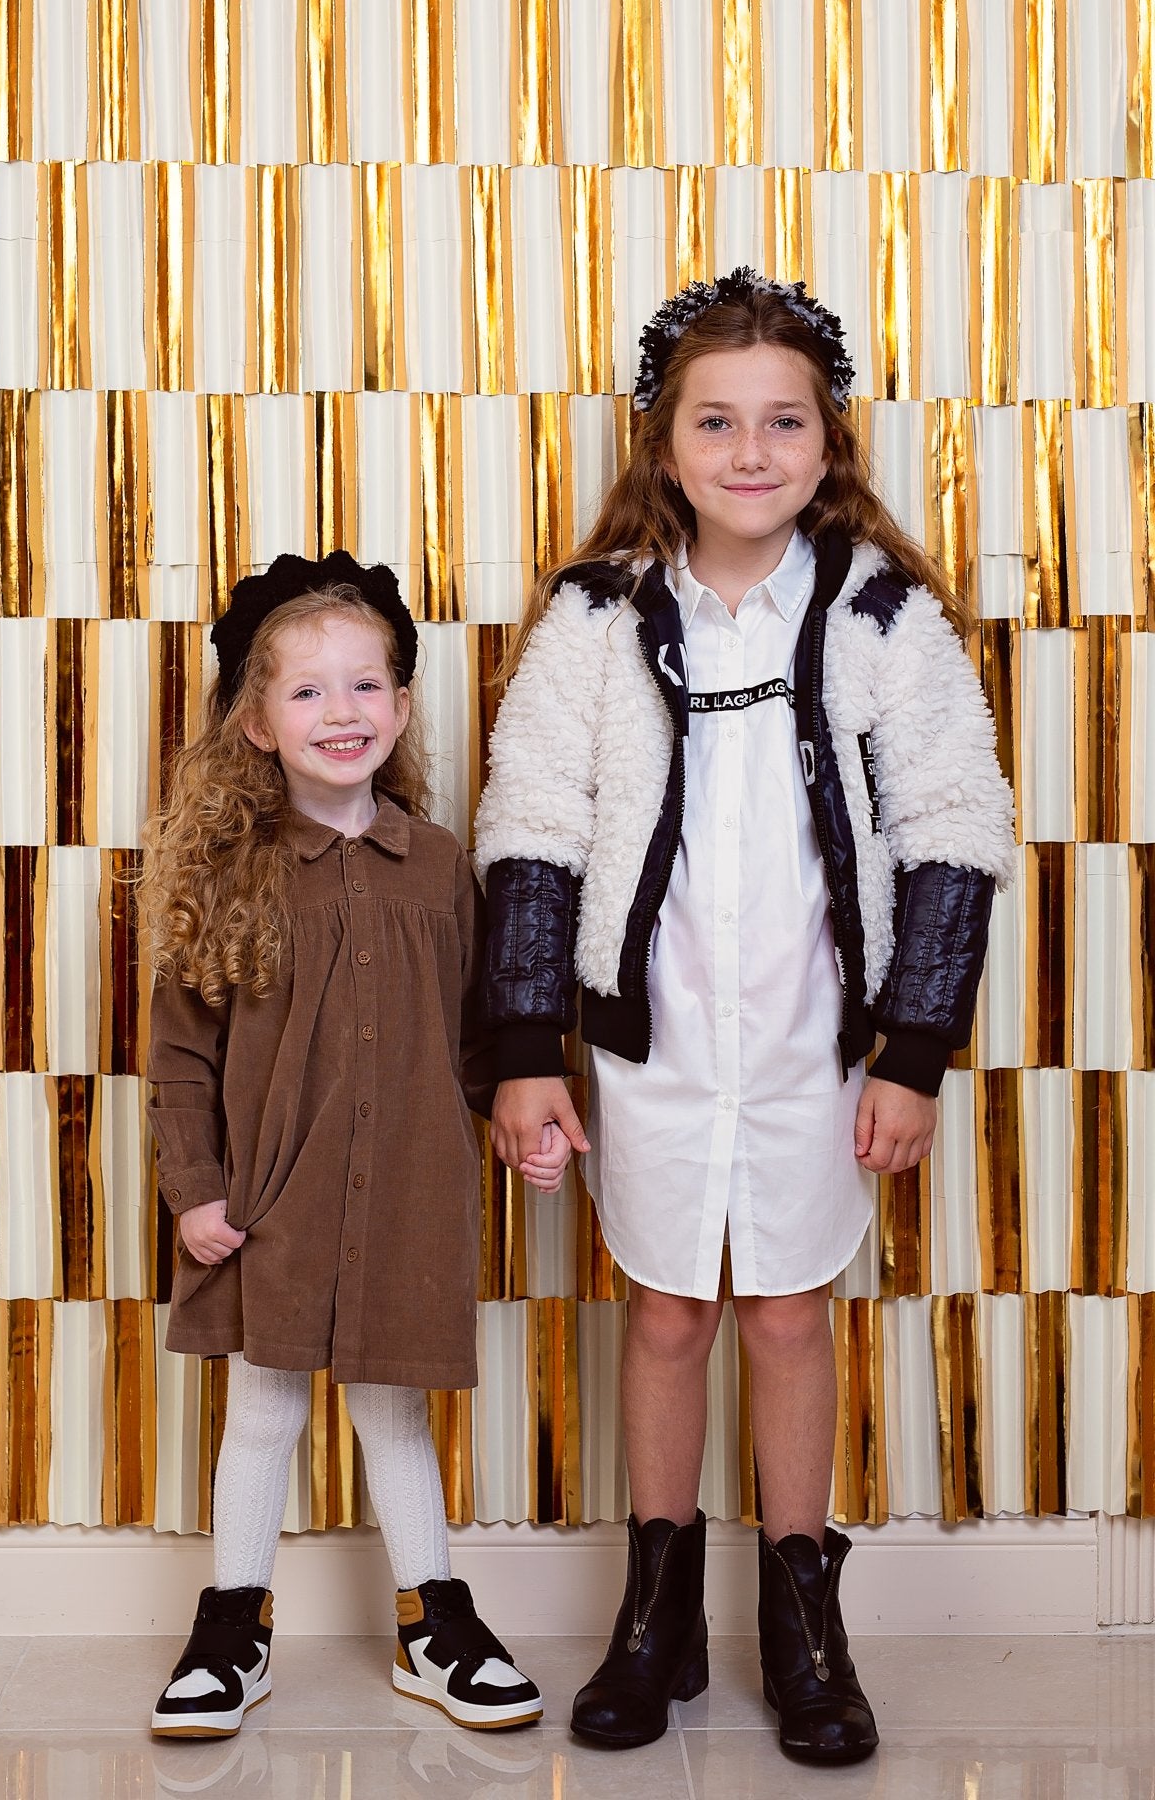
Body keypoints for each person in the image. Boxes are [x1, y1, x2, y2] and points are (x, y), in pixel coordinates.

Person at [473, 269, 1014, 1763]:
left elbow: (956, 825)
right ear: (664, 443)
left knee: (786, 1312)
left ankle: (803, 1627)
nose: (751, 450)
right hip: (651, 1044)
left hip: (814, 1043)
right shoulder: (594, 616)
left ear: (829, 444)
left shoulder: (883, 613)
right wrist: (525, 1048)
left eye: (785, 421)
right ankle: (654, 1620)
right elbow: (533, 821)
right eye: (716, 421)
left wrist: (915, 1053)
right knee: (668, 1310)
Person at [141, 550, 557, 1740]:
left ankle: (434, 1629)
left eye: (366, 685)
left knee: (394, 1414)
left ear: (404, 706)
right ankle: (233, 1629)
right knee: (263, 1412)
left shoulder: (440, 866)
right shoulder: (229, 877)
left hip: (410, 1198)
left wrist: (523, 1116)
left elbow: (477, 1033)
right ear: (258, 724)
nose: (342, 711)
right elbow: (181, 1058)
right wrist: (196, 1191)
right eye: (309, 690)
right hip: (271, 1206)